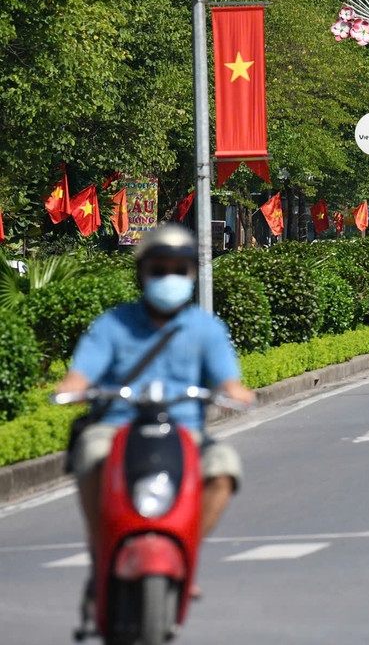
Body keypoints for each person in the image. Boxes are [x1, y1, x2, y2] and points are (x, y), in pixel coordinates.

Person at [53, 225, 255, 592]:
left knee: (224, 468)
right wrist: (73, 386)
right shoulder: (114, 324)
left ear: (193, 274)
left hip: (183, 432)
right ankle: (102, 551)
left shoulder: (205, 328)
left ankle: (185, 551)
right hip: (117, 427)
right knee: (92, 453)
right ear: (142, 274)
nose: (169, 277)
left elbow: (228, 380)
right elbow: (83, 372)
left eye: (179, 269)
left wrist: (235, 392)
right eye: (159, 269)